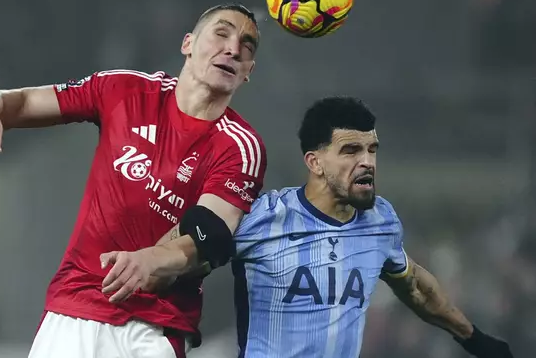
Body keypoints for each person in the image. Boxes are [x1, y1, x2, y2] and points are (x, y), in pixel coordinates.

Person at [0, 3, 267, 358]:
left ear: (248, 71)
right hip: (76, 308)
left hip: (154, 327)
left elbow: (210, 235)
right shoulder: (124, 90)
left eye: (246, 46)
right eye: (221, 34)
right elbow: (27, 101)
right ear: (188, 44)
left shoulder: (240, 146)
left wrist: (153, 259)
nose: (233, 49)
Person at [102, 97, 513, 358]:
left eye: (372, 149)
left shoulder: (380, 221)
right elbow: (184, 252)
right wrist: (146, 266)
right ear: (314, 162)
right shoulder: (261, 217)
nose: (367, 161)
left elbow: (416, 286)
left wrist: (473, 338)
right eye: (350, 150)